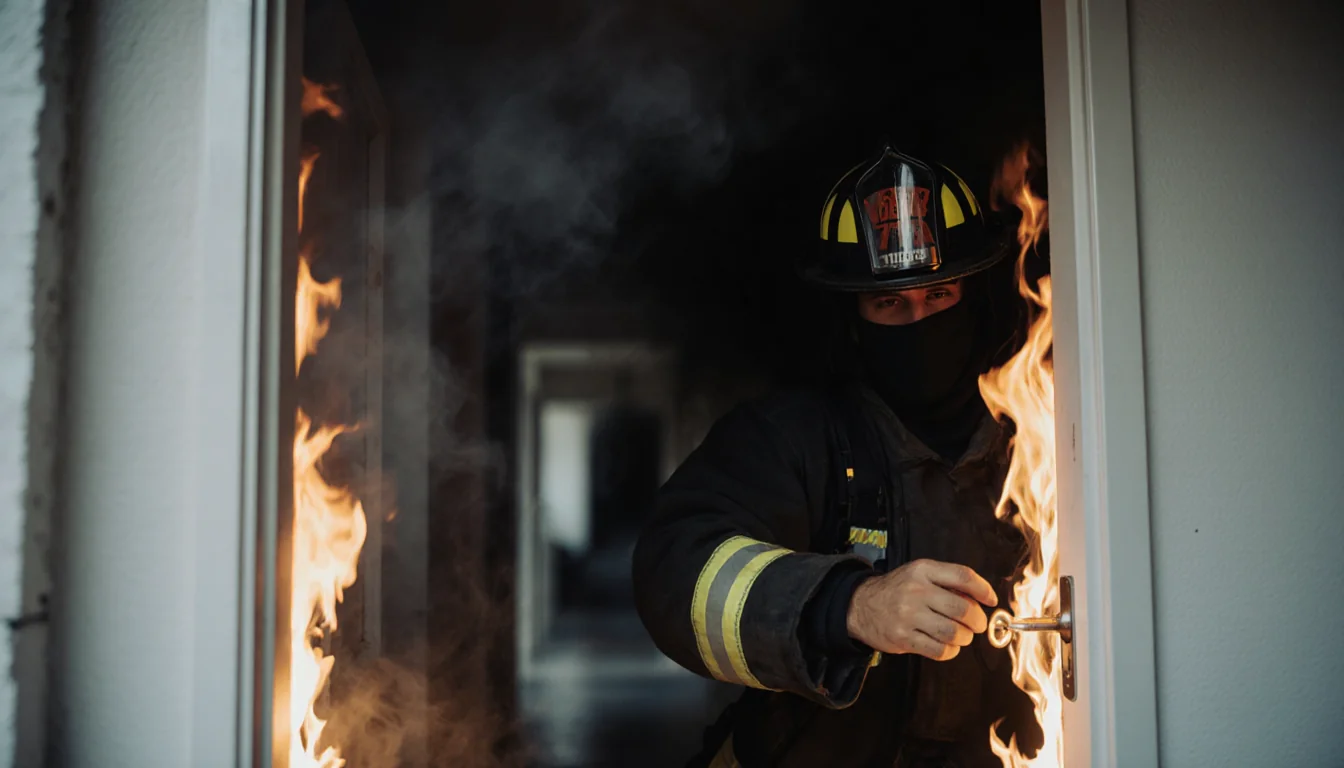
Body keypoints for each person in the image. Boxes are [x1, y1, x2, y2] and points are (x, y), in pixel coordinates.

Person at [631, 146, 1037, 767]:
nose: (918, 319)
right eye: (889, 304)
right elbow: (673, 573)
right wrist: (848, 606)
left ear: (973, 297)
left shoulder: (1039, 436)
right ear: (853, 316)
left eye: (939, 294)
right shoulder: (788, 437)